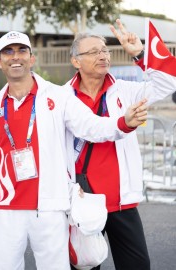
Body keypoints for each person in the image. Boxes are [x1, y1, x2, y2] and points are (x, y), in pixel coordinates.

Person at [0, 31, 148, 270]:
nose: (14, 57)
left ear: (32, 58)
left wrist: (123, 122)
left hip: (49, 205)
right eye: (8, 51)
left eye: (21, 51)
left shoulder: (59, 97)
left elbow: (91, 126)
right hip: (5, 207)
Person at [66, 19, 176, 270]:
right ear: (76, 61)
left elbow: (169, 84)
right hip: (82, 201)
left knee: (138, 265)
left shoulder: (124, 91)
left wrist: (139, 54)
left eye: (105, 50)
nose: (103, 55)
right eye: (93, 52)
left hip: (121, 202)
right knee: (84, 266)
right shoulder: (63, 97)